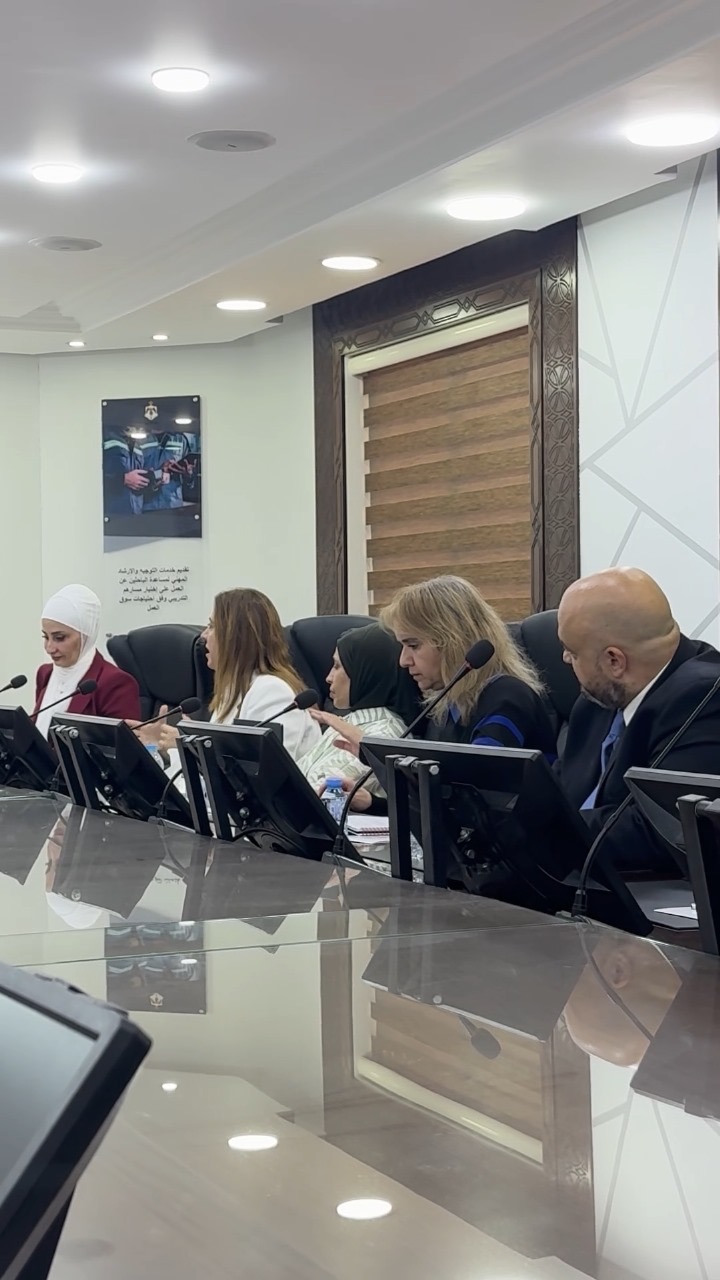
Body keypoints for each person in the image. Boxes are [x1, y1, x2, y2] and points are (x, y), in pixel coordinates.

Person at [557, 567, 720, 875]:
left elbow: (661, 829)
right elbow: (556, 792)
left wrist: (540, 831)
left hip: (648, 891)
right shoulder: (597, 699)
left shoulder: (706, 700)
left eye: (571, 651)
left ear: (614, 661)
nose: (565, 659)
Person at [344, 575, 556, 811]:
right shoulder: (447, 707)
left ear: (454, 641)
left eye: (413, 645)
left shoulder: (507, 697)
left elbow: (477, 799)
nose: (403, 661)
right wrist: (373, 804)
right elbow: (447, 811)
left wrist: (382, 759)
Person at [152, 588, 320, 762]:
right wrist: (172, 747)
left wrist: (188, 746)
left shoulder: (272, 691)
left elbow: (265, 770)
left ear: (234, 637)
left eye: (212, 626)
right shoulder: (232, 692)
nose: (203, 635)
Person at [300, 623, 417, 792]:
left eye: (337, 666)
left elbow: (316, 796)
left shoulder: (384, 734)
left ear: (366, 672)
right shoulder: (349, 721)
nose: (329, 677)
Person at [35, 584, 141, 738]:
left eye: (59, 638)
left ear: (86, 636)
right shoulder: (45, 673)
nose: (49, 648)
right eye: (46, 637)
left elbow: (122, 749)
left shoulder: (116, 683)